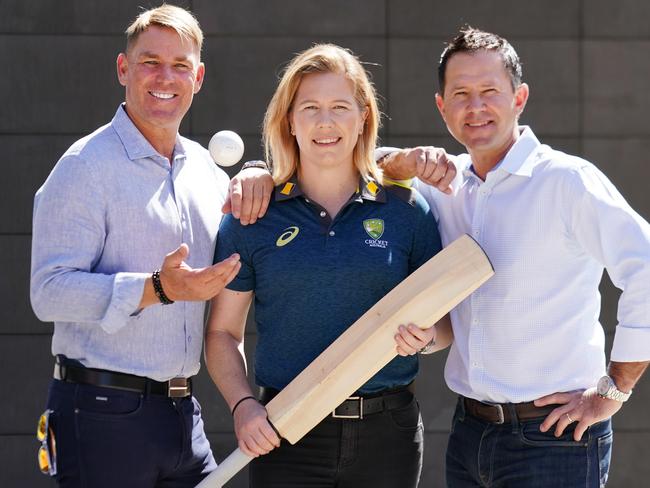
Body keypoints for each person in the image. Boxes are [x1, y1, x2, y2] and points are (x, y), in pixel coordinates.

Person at [376, 27, 650, 487]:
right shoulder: (445, 184)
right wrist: (404, 162)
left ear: (519, 97)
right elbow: (364, 167)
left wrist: (614, 389)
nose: (475, 106)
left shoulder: (567, 181)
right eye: (460, 94)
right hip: (468, 433)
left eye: (489, 91)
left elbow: (646, 267)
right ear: (441, 107)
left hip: (556, 438)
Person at [30, 5, 269, 487]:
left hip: (183, 414)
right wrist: (157, 287)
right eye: (150, 62)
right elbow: (48, 293)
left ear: (198, 77)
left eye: (180, 65)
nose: (166, 77)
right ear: (123, 69)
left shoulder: (204, 170)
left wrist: (257, 176)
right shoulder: (84, 167)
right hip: (100, 413)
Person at [204, 43, 453, 488]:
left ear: (363, 120)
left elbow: (448, 325)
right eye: (311, 108)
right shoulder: (251, 216)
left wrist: (427, 337)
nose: (325, 122)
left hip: (387, 434)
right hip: (284, 433)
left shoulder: (408, 211)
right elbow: (223, 333)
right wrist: (243, 407)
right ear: (290, 122)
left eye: (340, 107)